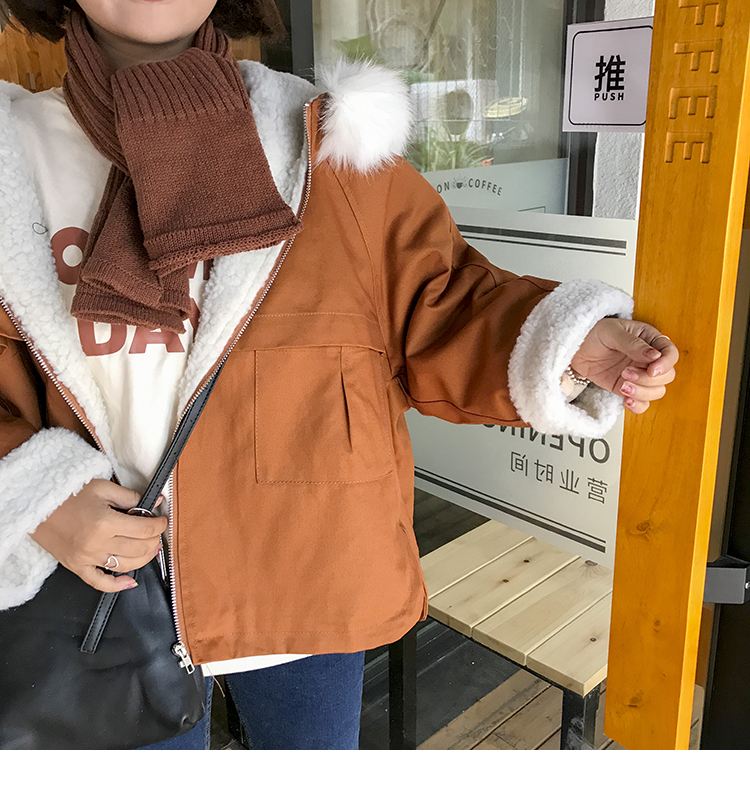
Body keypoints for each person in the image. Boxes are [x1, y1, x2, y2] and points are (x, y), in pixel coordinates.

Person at [0, 0, 678, 750]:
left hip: (306, 564)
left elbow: (441, 300)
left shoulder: (325, 142)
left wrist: (573, 339)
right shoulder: (11, 151)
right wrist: (35, 495)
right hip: (99, 591)